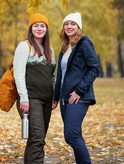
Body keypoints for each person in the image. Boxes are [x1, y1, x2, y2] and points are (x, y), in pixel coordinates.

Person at [52, 12, 100, 164]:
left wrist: (79, 90)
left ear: (79, 27)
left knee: (71, 135)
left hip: (79, 97)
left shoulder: (84, 43)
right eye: (66, 24)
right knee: (75, 135)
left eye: (73, 24)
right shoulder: (65, 48)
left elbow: (95, 69)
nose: (69, 26)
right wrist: (56, 96)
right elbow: (61, 74)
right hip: (65, 98)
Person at [13, 13, 56, 164]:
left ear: (47, 29)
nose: (39, 28)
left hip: (46, 100)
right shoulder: (25, 46)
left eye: (42, 25)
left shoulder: (50, 49)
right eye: (36, 25)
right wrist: (23, 98)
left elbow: (52, 76)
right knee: (37, 138)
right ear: (31, 28)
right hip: (30, 100)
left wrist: (54, 97)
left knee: (36, 138)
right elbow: (18, 74)